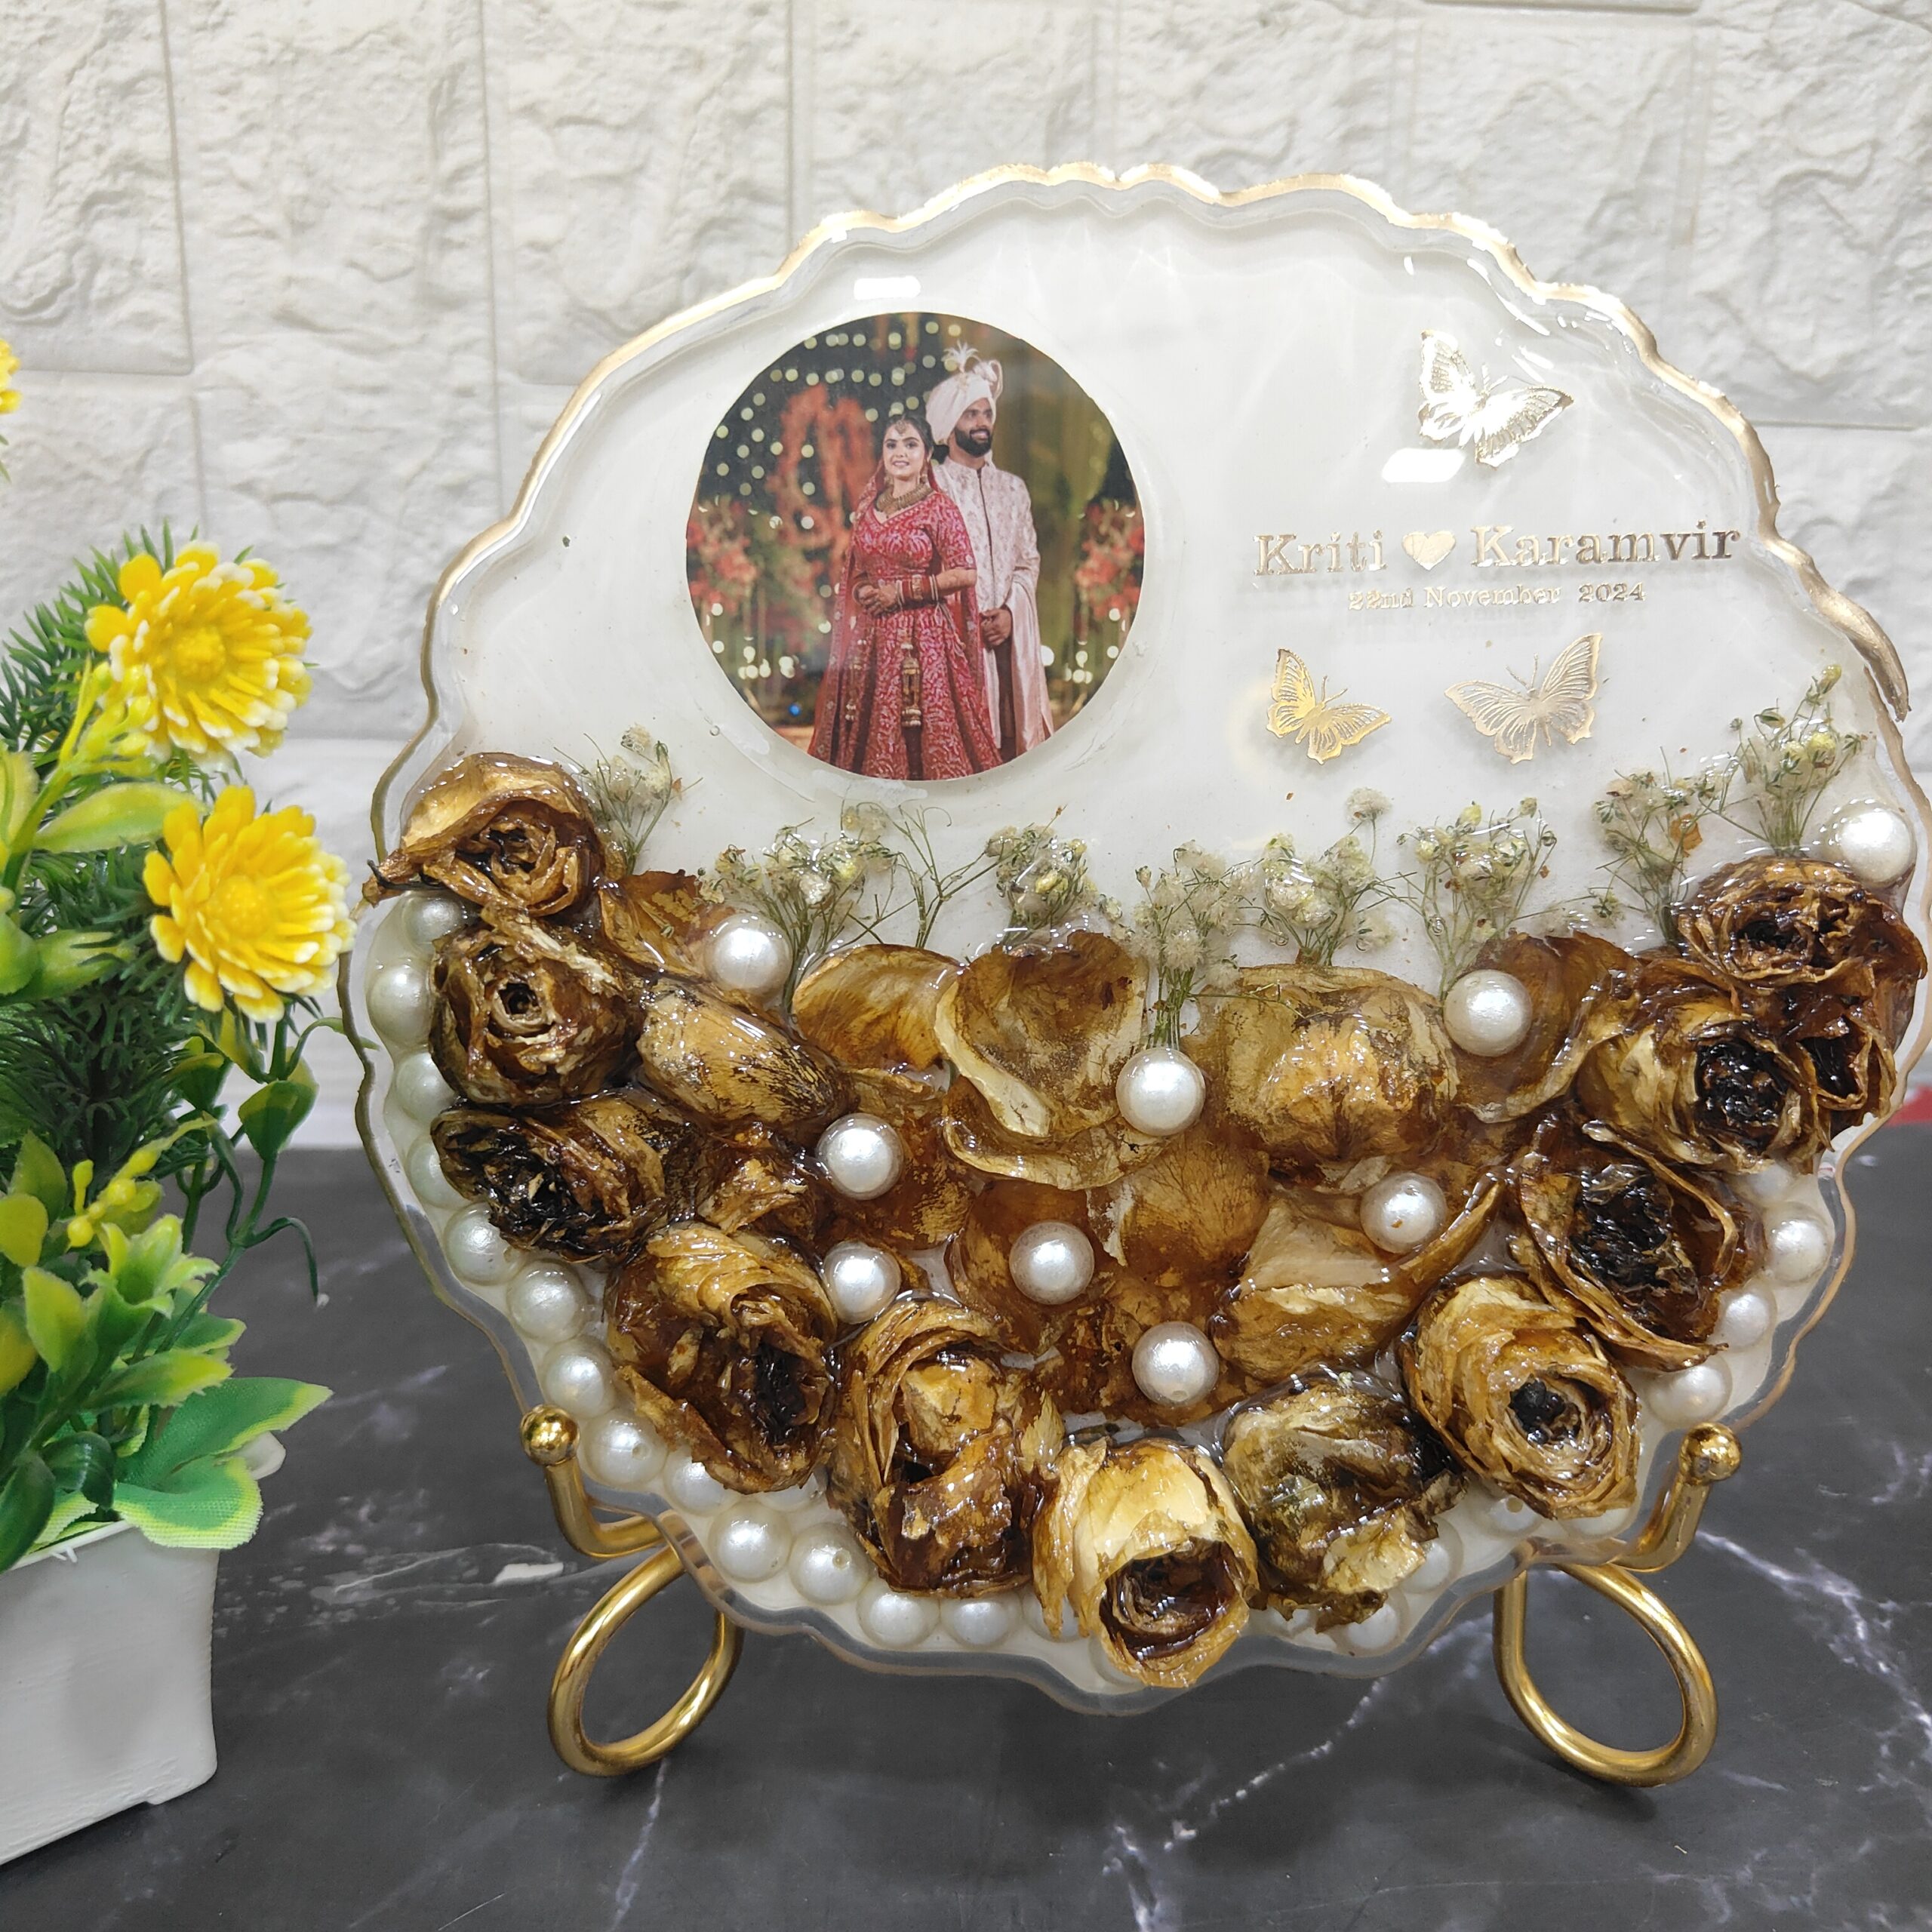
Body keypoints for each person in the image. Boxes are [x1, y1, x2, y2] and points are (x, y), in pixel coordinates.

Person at [808, 414, 1001, 780]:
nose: (900, 453)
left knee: (930, 727)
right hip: (872, 639)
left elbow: (966, 572)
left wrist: (901, 591)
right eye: (892, 445)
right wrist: (865, 590)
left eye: (911, 444)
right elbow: (858, 571)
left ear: (926, 455)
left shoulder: (939, 507)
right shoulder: (869, 510)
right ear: (882, 454)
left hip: (924, 640)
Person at [928, 345, 1054, 758]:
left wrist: (1010, 615)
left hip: (1006, 644)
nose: (982, 423)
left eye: (986, 414)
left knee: (1011, 753)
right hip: (954, 642)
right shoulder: (933, 487)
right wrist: (968, 617)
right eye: (970, 414)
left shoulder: (1013, 489)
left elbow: (1027, 562)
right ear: (949, 426)